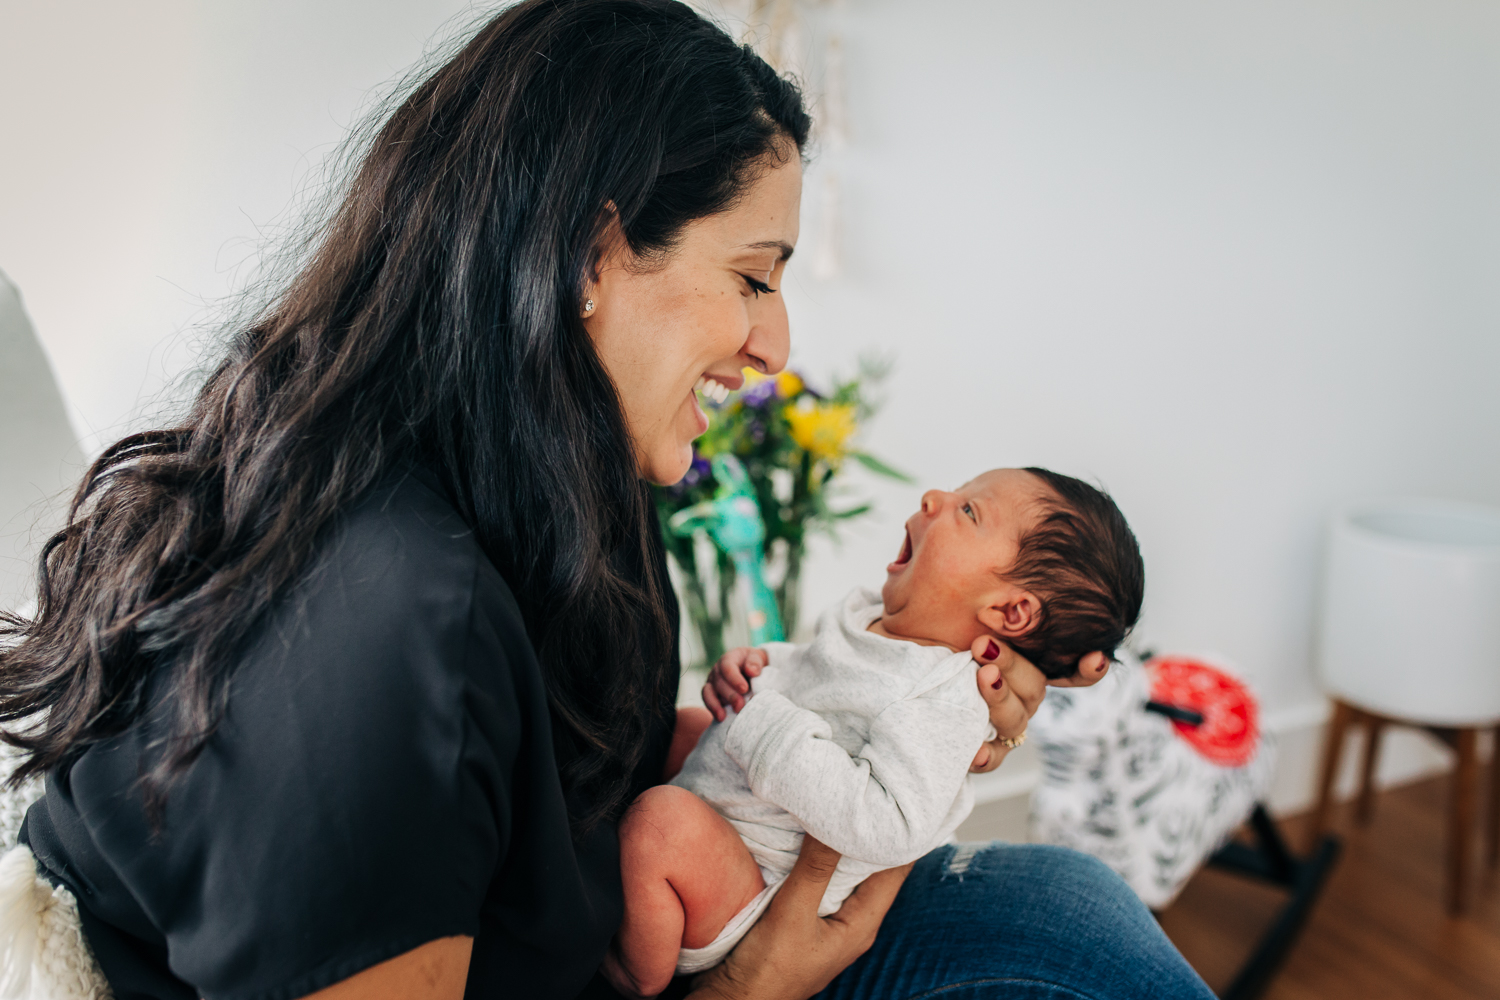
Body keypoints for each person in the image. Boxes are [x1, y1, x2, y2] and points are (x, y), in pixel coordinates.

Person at [0, 2, 1216, 998]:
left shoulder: (576, 481)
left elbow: (578, 778)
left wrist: (887, 720)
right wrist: (749, 992)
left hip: (627, 929)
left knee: (1072, 906)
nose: (775, 344)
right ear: (591, 255)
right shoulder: (374, 630)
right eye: (753, 276)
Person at [610, 468, 1142, 994]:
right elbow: (812, 672)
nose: (934, 496)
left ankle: (634, 974)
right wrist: (756, 666)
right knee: (686, 727)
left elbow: (892, 824)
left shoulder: (948, 696)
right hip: (740, 801)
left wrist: (769, 729)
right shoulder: (873, 618)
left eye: (969, 511)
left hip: (758, 883)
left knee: (660, 824)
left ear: (1010, 610)